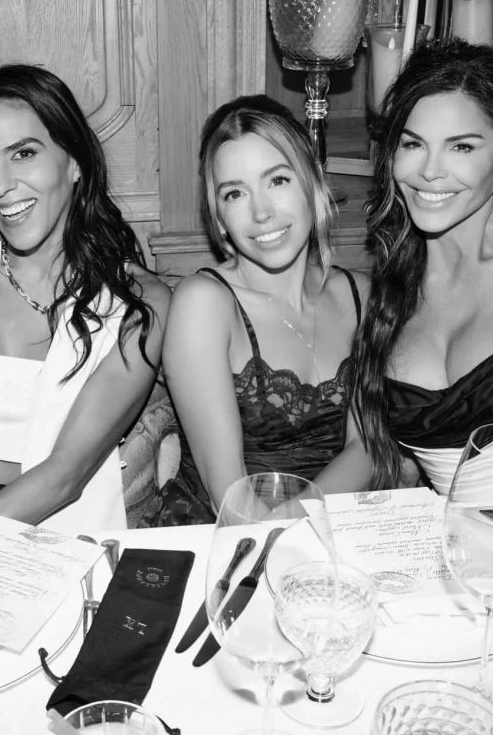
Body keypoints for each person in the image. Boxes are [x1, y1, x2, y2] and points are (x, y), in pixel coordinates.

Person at [0, 64, 170, 534]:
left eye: (22, 154)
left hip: (45, 525)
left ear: (74, 161)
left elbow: (66, 475)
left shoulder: (139, 305)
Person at [352, 39, 493, 494]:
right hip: (453, 537)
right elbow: (401, 467)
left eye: (461, 147)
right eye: (413, 144)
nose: (430, 171)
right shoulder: (390, 290)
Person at [158, 94, 371, 520]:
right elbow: (228, 492)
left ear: (312, 183)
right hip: (224, 535)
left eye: (277, 181)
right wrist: (278, 543)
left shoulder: (361, 295)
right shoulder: (205, 303)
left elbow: (366, 449)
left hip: (333, 526)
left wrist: (302, 533)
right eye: (235, 193)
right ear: (219, 218)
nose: (261, 212)